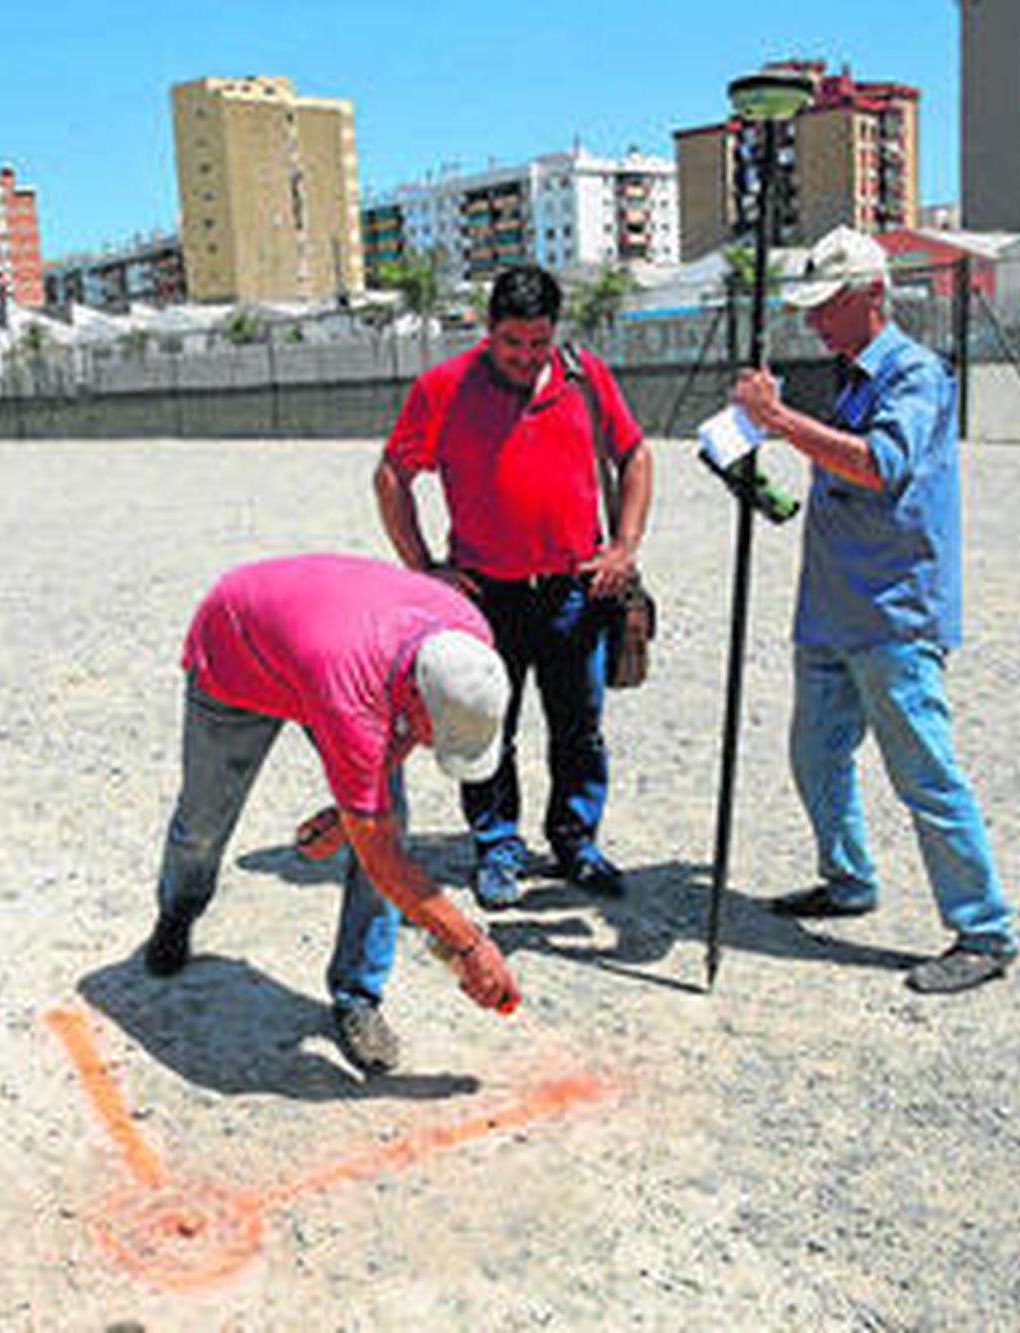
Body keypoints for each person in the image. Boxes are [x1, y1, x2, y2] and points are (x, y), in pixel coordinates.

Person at [733, 226, 1019, 995]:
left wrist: (782, 423)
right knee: (814, 755)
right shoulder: (852, 374)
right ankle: (849, 879)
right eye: (812, 306)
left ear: (872, 296)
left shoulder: (914, 374)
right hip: (829, 609)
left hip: (894, 613)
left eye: (828, 304)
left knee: (924, 772)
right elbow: (837, 472)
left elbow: (880, 466)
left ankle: (985, 927)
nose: (815, 321)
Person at [141, 553, 520, 1073]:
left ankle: (358, 996)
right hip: (236, 650)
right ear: (414, 698)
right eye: (435, 735)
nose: (431, 747)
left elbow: (400, 736)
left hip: (325, 651)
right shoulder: (353, 695)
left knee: (387, 824)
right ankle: (177, 911)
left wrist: (353, 812)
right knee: (205, 820)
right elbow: (382, 859)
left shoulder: (469, 643)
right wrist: (469, 944)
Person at [375, 264, 654, 910]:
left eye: (538, 343)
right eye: (512, 344)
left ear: (555, 331)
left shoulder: (586, 379)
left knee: (579, 727)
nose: (527, 358)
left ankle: (575, 842)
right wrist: (422, 568)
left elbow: (634, 454)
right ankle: (498, 847)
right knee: (483, 725)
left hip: (575, 591)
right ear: (488, 330)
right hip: (482, 598)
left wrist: (624, 545)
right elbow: (392, 474)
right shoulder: (442, 387)